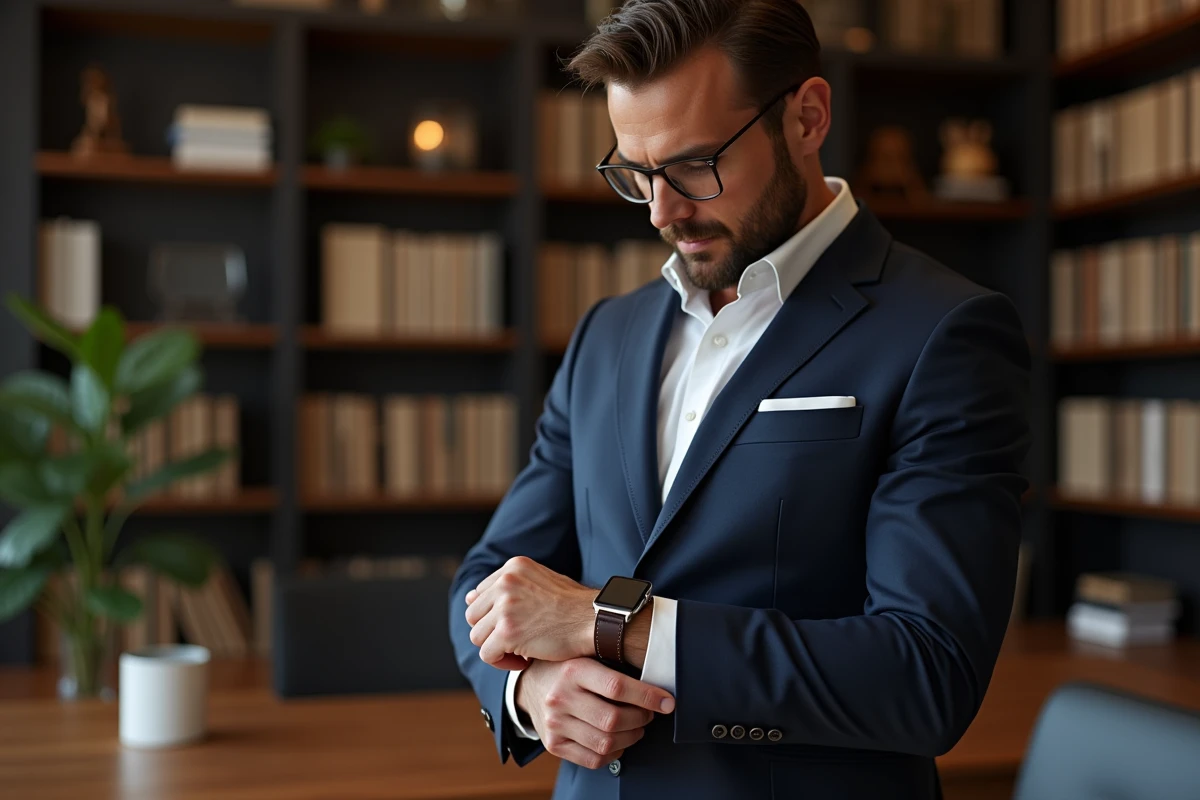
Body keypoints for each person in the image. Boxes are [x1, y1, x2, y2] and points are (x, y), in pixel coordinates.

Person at [448, 1, 1031, 797]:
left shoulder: (946, 333)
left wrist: (609, 626)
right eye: (635, 173)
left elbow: (927, 675)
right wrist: (529, 693)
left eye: (693, 166)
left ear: (808, 117)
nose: (662, 211)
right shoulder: (606, 335)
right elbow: (493, 576)